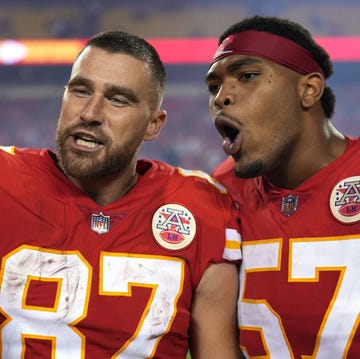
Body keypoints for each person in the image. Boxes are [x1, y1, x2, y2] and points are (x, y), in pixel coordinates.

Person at [0, 30, 242, 358]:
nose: (90, 113)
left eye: (118, 99)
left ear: (153, 125)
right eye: (81, 91)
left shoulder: (200, 208)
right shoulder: (6, 179)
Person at [205, 15, 360, 358]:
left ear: (308, 89)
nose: (221, 97)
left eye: (246, 76)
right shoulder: (222, 193)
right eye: (214, 86)